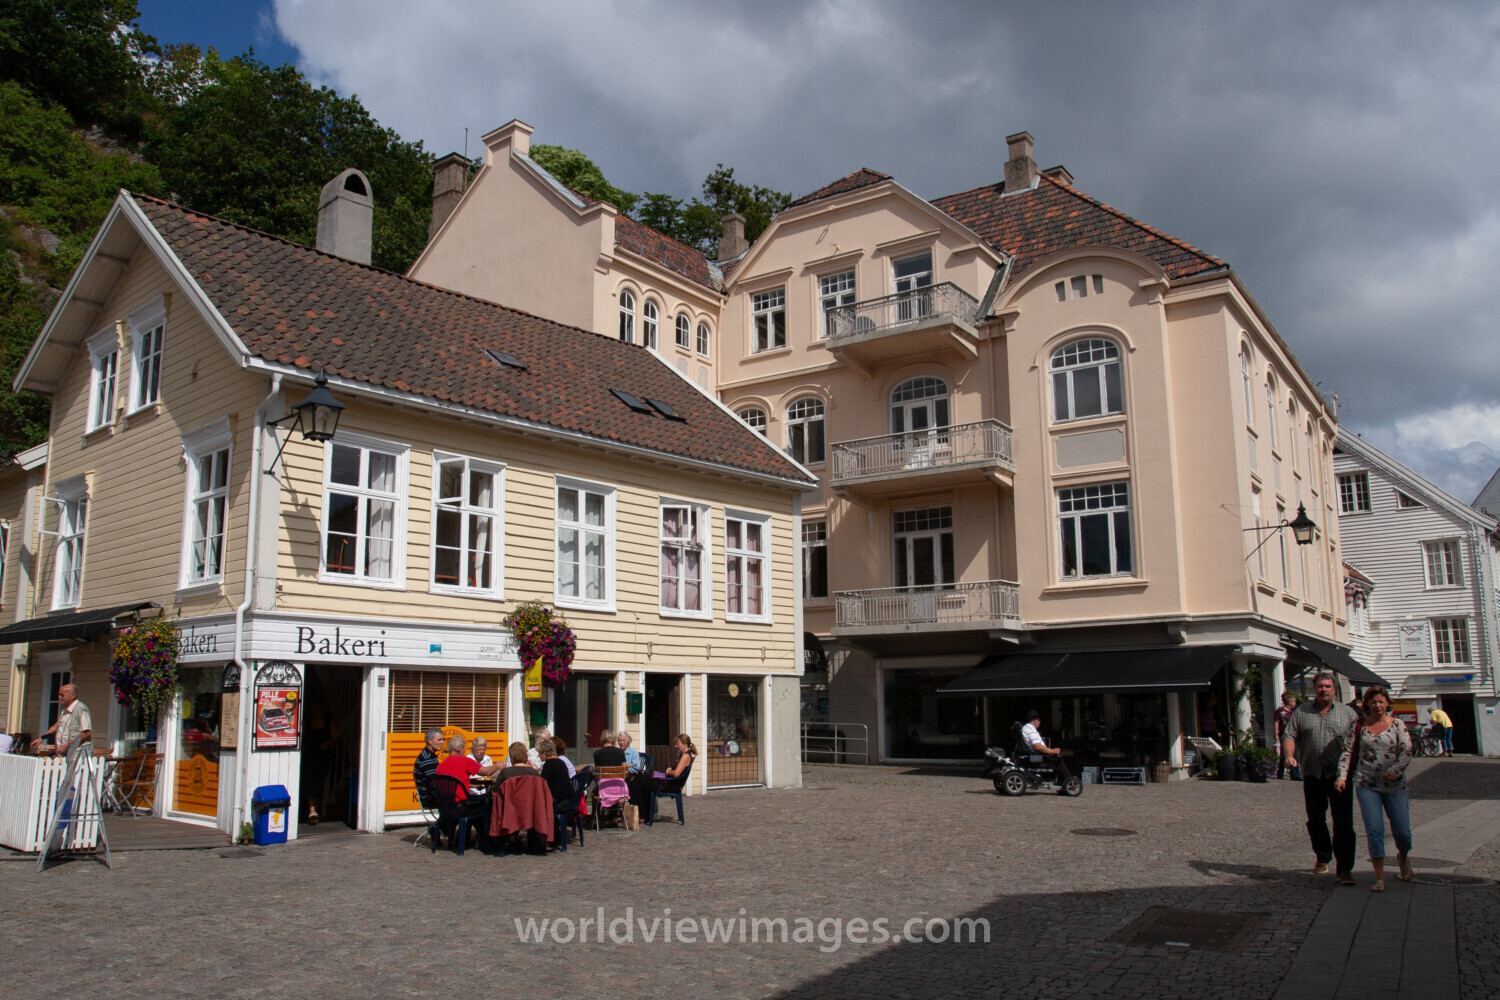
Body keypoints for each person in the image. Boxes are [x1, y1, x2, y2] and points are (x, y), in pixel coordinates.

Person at [1282, 672, 1361, 884]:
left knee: (1343, 823)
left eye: (1327, 686)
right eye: (1320, 686)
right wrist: (1289, 756)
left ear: (1334, 690)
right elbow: (1290, 735)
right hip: (1313, 773)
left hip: (1339, 776)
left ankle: (1345, 869)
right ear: (1314, 689)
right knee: (1315, 820)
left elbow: (1356, 744)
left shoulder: (1348, 713)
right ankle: (1323, 856)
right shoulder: (1302, 712)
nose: (1323, 690)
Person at [1336, 685, 1414, 892]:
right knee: (1375, 830)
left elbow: (1406, 751)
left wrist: (1395, 770)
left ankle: (1403, 856)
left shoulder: (1397, 724)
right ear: (1367, 705)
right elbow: (1347, 751)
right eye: (1373, 702)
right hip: (1367, 784)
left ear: (1387, 703)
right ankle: (1379, 877)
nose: (1377, 705)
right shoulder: (1359, 725)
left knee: (1402, 832)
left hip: (1395, 785)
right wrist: (1341, 776)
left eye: (1381, 701)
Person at [434, 735, 501, 818]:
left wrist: (474, 786)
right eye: (463, 749)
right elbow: (487, 772)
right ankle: (485, 827)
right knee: (489, 801)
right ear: (460, 748)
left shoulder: (440, 766)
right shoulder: (464, 761)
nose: (464, 752)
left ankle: (470, 826)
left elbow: (455, 784)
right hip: (461, 806)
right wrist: (498, 766)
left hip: (444, 807)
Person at [32, 684, 92, 757]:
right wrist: (41, 738)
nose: (59, 697)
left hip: (77, 756)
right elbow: (57, 725)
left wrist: (68, 745)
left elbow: (86, 733)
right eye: (59, 695)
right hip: (63, 755)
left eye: (62, 695)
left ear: (72, 695)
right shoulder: (65, 709)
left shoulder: (80, 709)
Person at [1020, 709, 1073, 790]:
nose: (1040, 721)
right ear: (1033, 720)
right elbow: (1037, 746)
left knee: (1061, 754)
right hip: (1037, 756)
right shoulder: (1030, 730)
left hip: (1037, 754)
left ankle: (1061, 781)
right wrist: (1052, 751)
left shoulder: (1027, 728)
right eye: (1038, 719)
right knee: (1060, 758)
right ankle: (1069, 780)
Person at [411, 727, 444, 811]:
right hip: (431, 800)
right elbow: (435, 783)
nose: (442, 742)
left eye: (442, 740)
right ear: (430, 741)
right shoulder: (426, 758)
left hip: (435, 797)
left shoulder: (430, 755)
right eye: (439, 740)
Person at [1275, 692, 1301, 780]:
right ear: (1290, 702)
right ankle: (1280, 772)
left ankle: (1295, 774)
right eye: (1294, 702)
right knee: (1284, 754)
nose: (1295, 703)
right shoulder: (1280, 711)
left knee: (1295, 754)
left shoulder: (1294, 712)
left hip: (1294, 734)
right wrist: (1276, 734)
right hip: (1284, 733)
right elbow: (1276, 723)